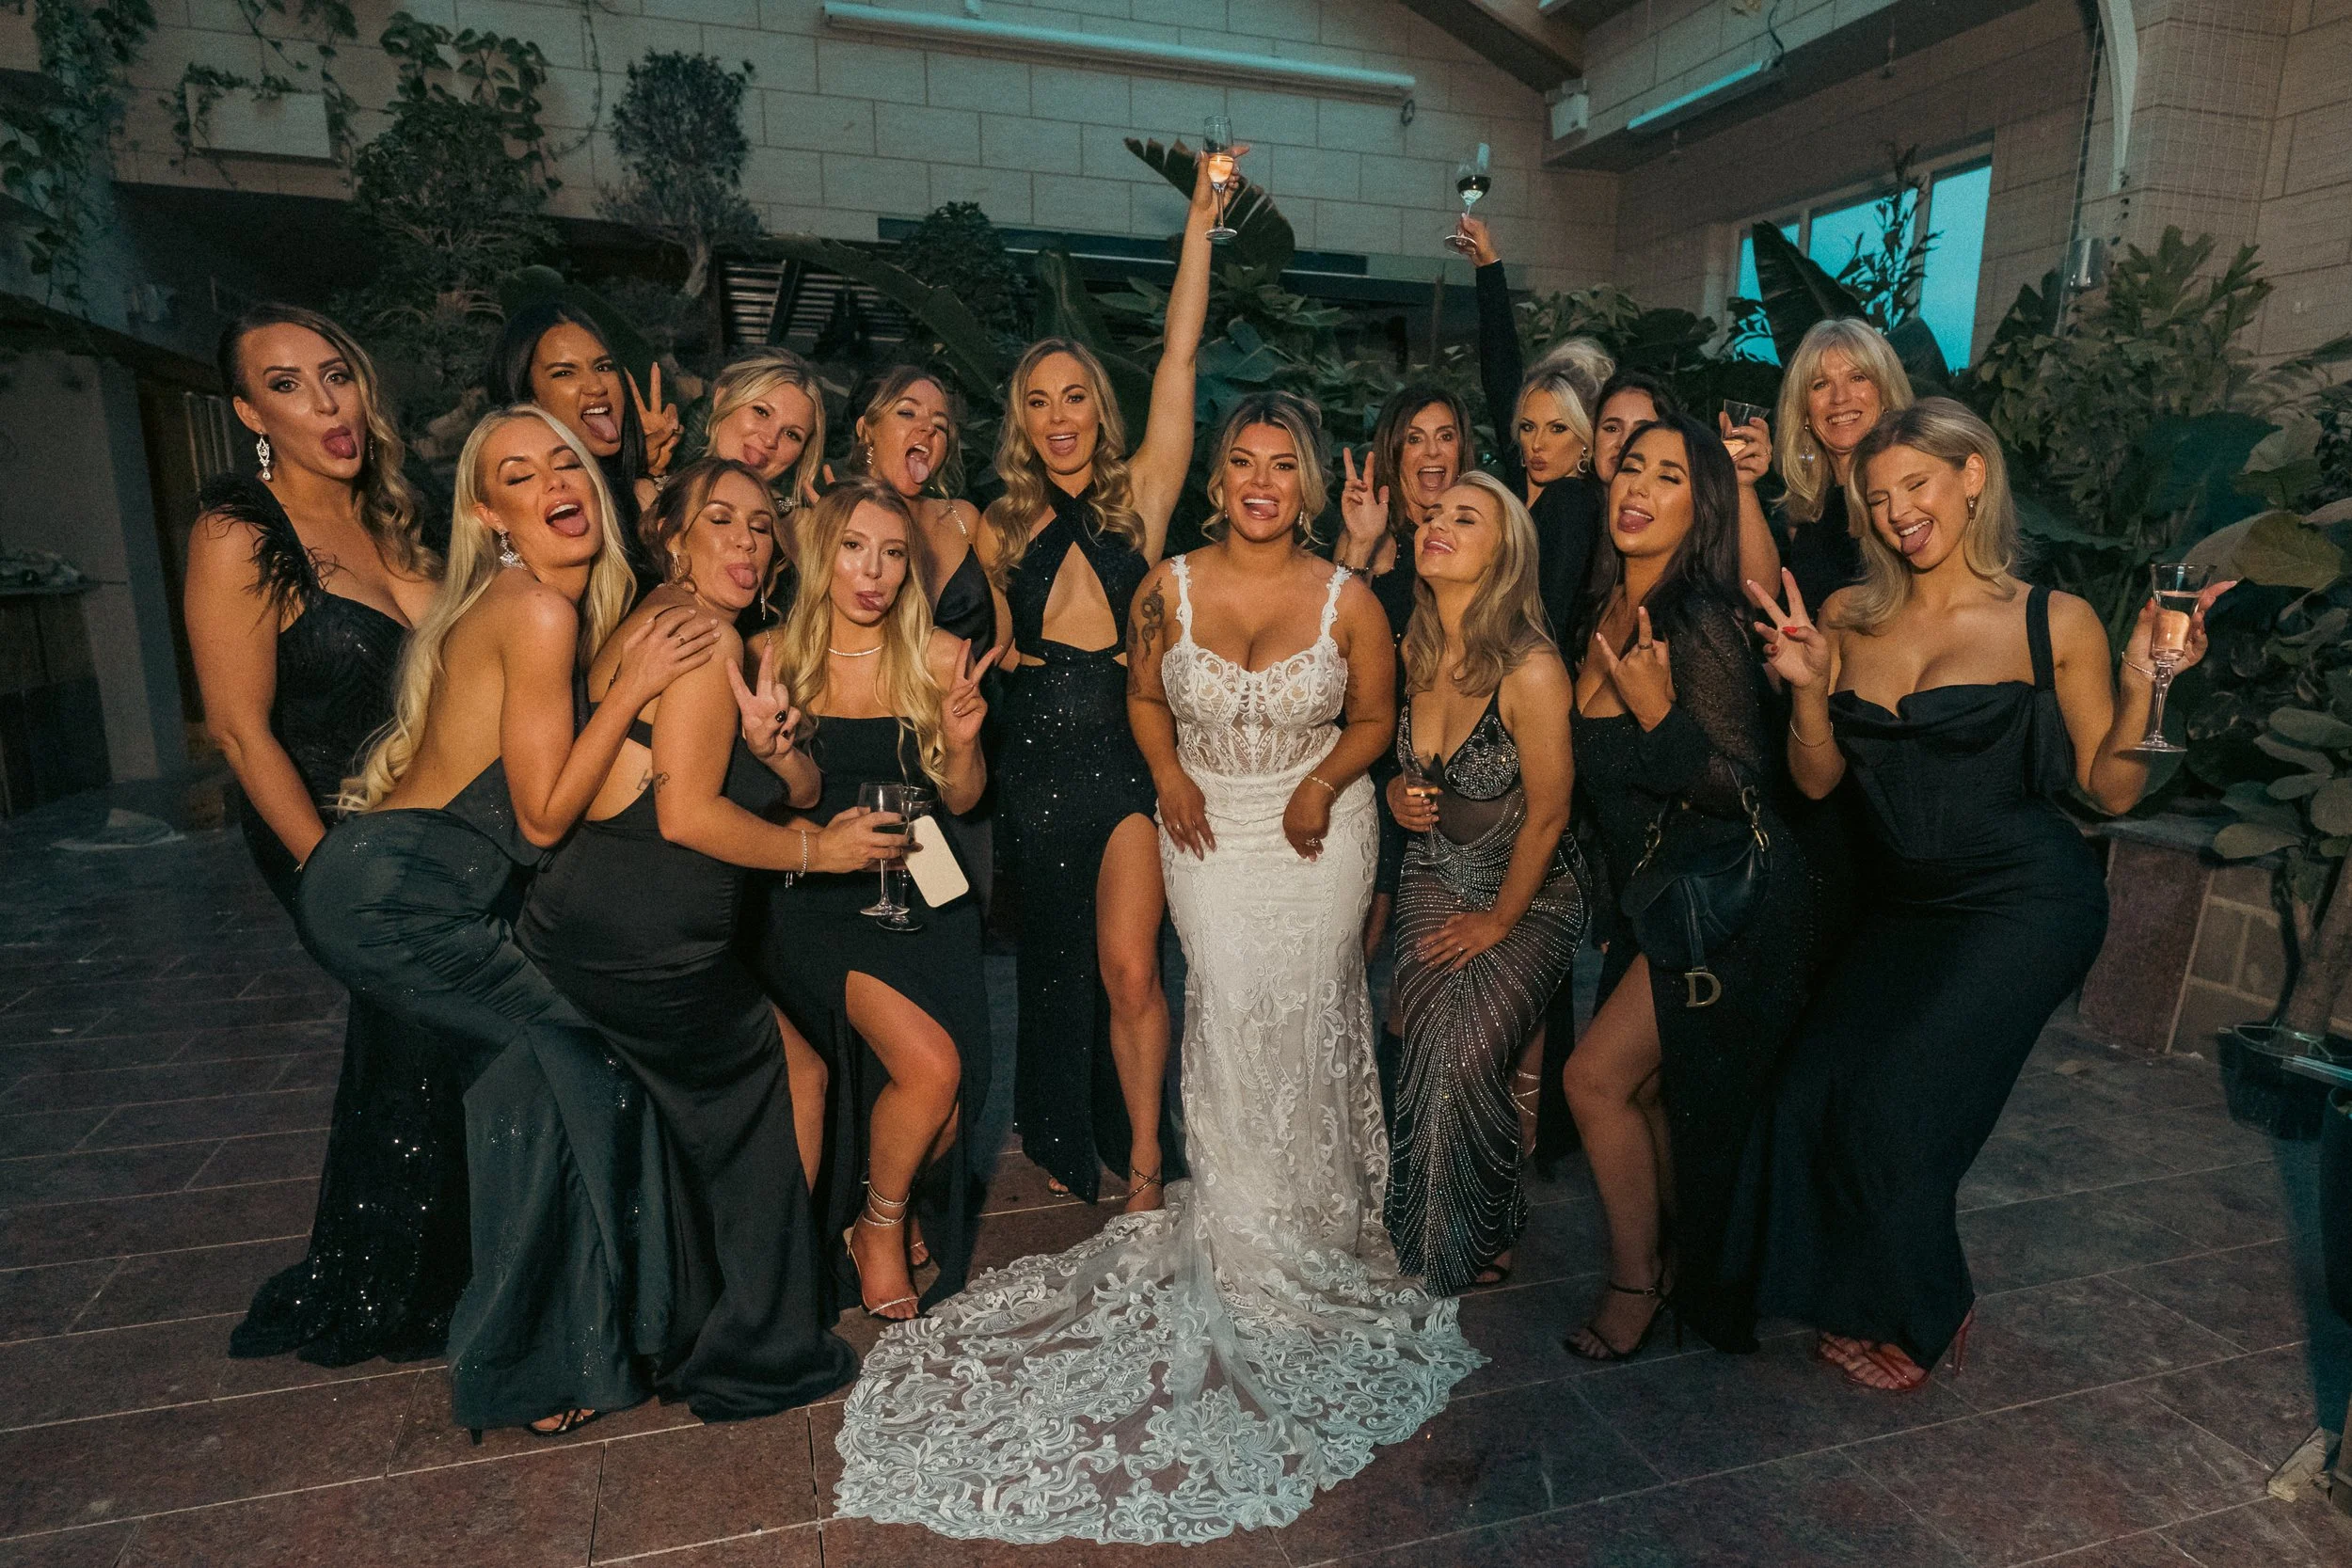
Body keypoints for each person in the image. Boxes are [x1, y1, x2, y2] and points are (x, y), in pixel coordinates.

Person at [831, 391, 1479, 1546]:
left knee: (1307, 1009)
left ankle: (1319, 1222)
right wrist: (1168, 773)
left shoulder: (1349, 598)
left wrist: (1324, 785)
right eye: (1243, 462)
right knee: (1223, 1004)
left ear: (1307, 484)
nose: (1262, 481)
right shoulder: (1162, 586)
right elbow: (1139, 694)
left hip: (1319, 833)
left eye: (1283, 464)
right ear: (1219, 478)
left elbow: (1373, 720)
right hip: (1205, 828)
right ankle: (1236, 1226)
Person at [1740, 399, 2216, 1391]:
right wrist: (1805, 689)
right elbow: (1817, 782)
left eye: (1916, 484)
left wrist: (2147, 682)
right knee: (1807, 1089)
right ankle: (1851, 1286)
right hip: (1905, 905)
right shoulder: (1843, 617)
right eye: (1877, 498)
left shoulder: (2052, 620)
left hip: (2025, 902)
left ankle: (1926, 1304)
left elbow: (2114, 786)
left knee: (1895, 1102)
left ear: (1970, 479)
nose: (1898, 510)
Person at [297, 404, 716, 1435]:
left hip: (392, 883)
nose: (553, 483)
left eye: (563, 462)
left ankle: (569, 1344)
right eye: (517, 476)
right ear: (489, 513)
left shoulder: (544, 603)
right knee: (579, 1071)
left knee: (538, 1081)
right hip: (401, 895)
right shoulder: (534, 608)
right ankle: (539, 1358)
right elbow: (538, 814)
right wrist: (638, 689)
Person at [517, 456, 880, 1418]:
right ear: (672, 535)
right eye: (719, 518)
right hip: (645, 940)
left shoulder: (664, 621)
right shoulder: (701, 633)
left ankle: (727, 1298)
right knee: (782, 1089)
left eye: (762, 526)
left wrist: (780, 754)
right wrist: (822, 852)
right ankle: (756, 1332)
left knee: (779, 1085)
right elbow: (687, 818)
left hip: (596, 923)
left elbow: (784, 780)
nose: (745, 540)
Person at [186, 304, 452, 1368]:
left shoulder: (404, 512)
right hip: (329, 835)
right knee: (423, 1026)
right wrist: (335, 876)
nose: (325, 401)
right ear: (250, 412)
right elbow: (243, 735)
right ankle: (407, 1284)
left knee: (424, 1042)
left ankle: (418, 1260)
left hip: (443, 826)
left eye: (335, 374)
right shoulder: (240, 532)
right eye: (287, 384)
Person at [978, 153, 1217, 1208]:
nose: (1061, 414)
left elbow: (1177, 353)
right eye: (1039, 401)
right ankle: (1064, 1125)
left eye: (1075, 395)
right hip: (1031, 762)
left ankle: (1146, 1160)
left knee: (1130, 964)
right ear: (1022, 419)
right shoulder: (994, 524)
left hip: (1125, 758)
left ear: (1097, 405)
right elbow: (981, 646)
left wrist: (1201, 221)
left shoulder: (1144, 497)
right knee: (1055, 968)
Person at [1564, 413, 1815, 1360]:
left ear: (1699, 505)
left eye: (1669, 475)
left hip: (1726, 905)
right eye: (1631, 466)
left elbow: (1743, 785)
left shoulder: (1696, 617)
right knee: (1655, 1097)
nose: (1639, 486)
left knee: (1594, 1080)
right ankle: (1687, 1261)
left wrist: (1658, 710)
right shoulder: (1599, 612)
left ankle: (1639, 1280)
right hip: (1652, 900)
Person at [753, 478, 993, 1322]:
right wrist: (774, 758)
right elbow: (759, 800)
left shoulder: (933, 655)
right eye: (855, 547)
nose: (874, 570)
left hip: (920, 890)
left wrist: (962, 746)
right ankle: (877, 1225)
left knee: (953, 1120)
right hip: (814, 895)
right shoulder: (774, 655)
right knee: (932, 1070)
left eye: (893, 554)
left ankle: (884, 1188)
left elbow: (962, 800)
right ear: (823, 554)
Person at [1383, 471, 1587, 1293]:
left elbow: (1550, 813)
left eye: (1465, 518)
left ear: (1503, 552)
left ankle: (1488, 1217)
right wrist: (1400, 795)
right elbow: (1408, 774)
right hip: (1434, 868)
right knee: (1422, 1041)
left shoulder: (1531, 667)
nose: (1438, 522)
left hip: (1530, 890)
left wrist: (1501, 921)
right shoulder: (1418, 647)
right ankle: (1425, 1237)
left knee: (1467, 1054)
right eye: (1434, 513)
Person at [1459, 214, 1610, 649]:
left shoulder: (1570, 501)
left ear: (1585, 438)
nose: (1537, 444)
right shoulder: (1528, 482)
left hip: (1527, 677)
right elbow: (1501, 374)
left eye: (1558, 429)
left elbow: (1543, 623)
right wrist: (1488, 267)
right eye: (1527, 427)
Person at [486, 301, 680, 583]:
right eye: (564, 372)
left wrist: (654, 477)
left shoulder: (635, 494)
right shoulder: (528, 508)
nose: (596, 386)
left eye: (603, 367)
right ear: (529, 399)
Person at [849, 365, 1009, 664]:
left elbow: (1004, 640)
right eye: (907, 413)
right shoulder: (837, 521)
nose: (928, 428)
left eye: (941, 423)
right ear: (866, 430)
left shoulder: (965, 519)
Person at [1768, 318, 1914, 613]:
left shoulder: (1911, 502)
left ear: (1885, 393)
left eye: (1857, 377)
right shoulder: (1806, 513)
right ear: (1804, 412)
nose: (1840, 398)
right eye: (1821, 384)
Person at [704, 348, 827, 613]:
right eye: (761, 411)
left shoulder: (800, 529)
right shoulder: (653, 495)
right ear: (723, 398)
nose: (771, 439)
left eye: (792, 434)